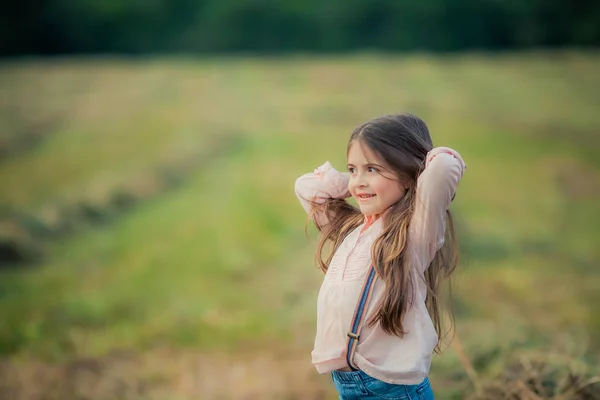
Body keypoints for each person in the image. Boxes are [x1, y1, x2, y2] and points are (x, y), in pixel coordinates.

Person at [294, 113, 466, 400]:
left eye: (372, 169)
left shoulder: (413, 234)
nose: (359, 181)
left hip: (393, 390)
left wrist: (416, 168)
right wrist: (348, 183)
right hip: (348, 385)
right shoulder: (350, 229)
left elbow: (444, 167)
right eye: (353, 168)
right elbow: (306, 187)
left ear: (410, 175)